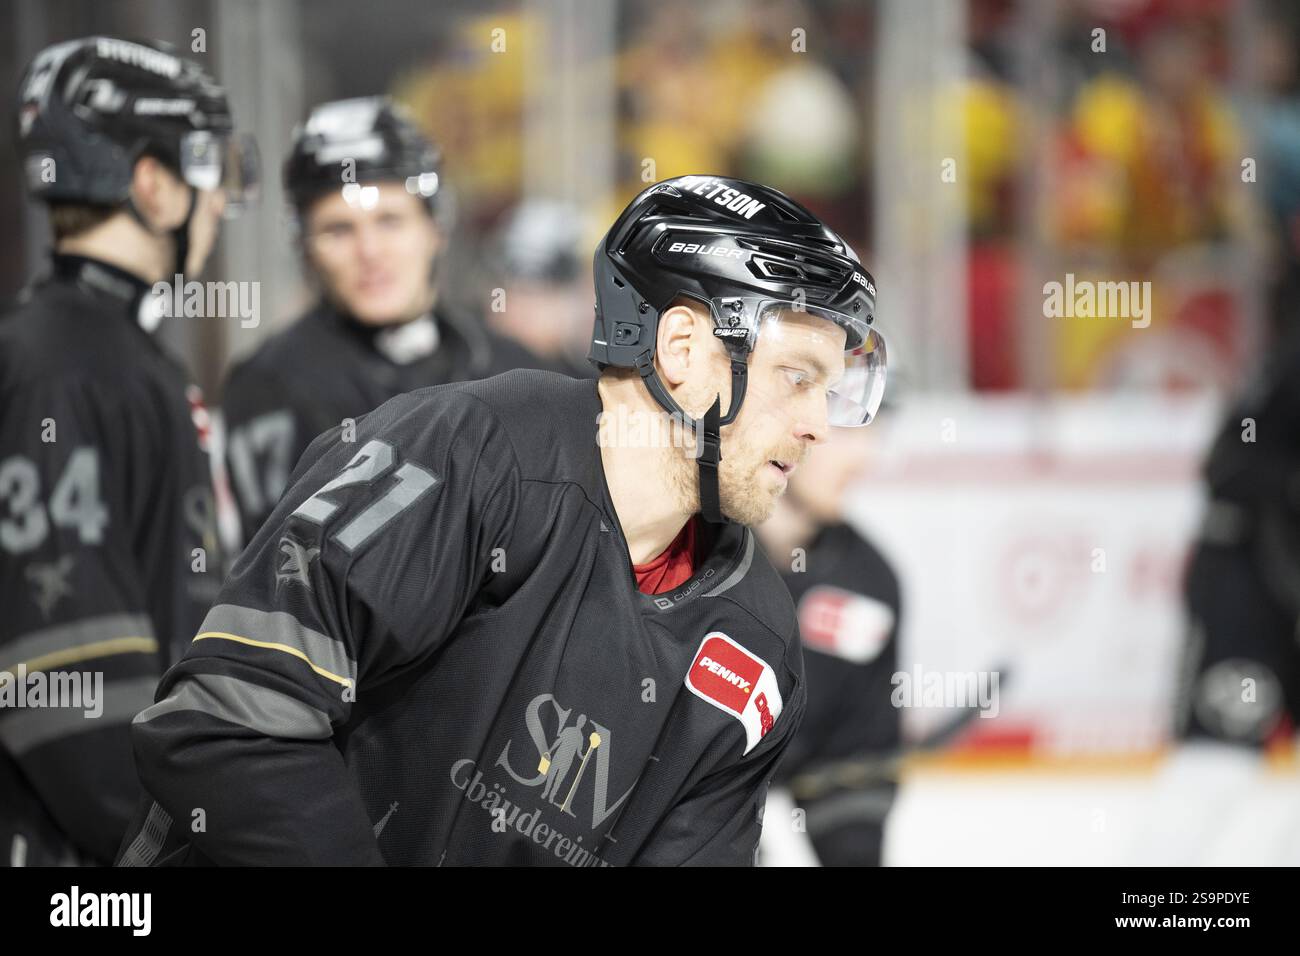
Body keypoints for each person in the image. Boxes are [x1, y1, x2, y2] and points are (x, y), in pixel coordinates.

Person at [116, 174, 887, 866]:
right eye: (797, 377)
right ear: (682, 347)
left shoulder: (756, 640)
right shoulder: (458, 456)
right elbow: (224, 723)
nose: (820, 425)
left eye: (834, 391)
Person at [0, 36, 255, 865]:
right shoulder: (67, 372)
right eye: (209, 168)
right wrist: (171, 854)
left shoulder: (107, 355)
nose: (220, 200)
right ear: (153, 184)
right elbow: (59, 684)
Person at [222, 96, 534, 544]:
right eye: (338, 229)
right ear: (305, 248)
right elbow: (291, 575)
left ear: (435, 228)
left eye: (390, 220)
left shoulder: (516, 372)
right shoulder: (271, 385)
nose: (370, 252)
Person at [755, 425, 901, 866]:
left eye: (875, 434)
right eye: (847, 434)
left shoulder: (868, 583)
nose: (864, 459)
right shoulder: (681, 552)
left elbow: (853, 758)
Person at [488, 198, 595, 378]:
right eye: (519, 291)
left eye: (540, 291)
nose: (526, 309)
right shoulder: (471, 367)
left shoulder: (591, 386)